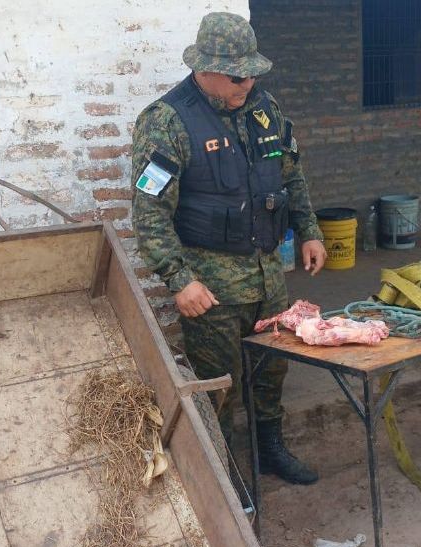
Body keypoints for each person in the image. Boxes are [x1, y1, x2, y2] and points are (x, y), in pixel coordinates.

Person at [131, 12, 327, 484]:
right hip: (211, 289)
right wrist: (180, 280)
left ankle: (271, 449)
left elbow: (290, 175)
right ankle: (224, 476)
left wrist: (310, 229)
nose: (249, 81)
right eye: (239, 75)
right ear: (206, 69)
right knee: (219, 387)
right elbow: (149, 212)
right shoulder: (167, 121)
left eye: (254, 71)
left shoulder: (264, 109)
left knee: (270, 371)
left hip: (266, 277)